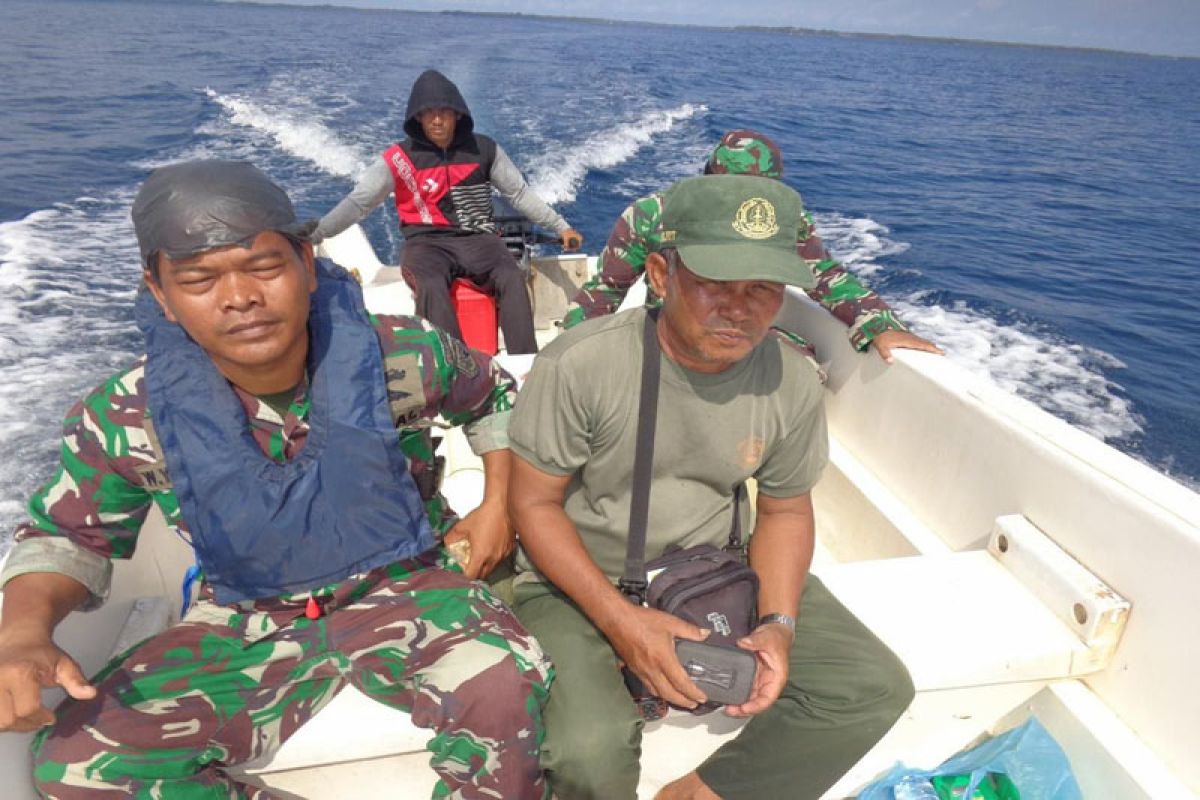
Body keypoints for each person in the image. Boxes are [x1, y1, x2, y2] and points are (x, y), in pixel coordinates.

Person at [0, 160, 552, 799]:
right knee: (71, 764)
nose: (239, 298)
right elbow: (70, 538)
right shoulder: (127, 414)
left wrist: (498, 504)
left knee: (505, 690)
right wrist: (22, 632)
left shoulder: (401, 353)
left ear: (306, 266)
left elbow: (496, 399)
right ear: (160, 294)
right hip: (245, 613)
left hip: (411, 581)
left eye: (263, 266)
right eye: (199, 278)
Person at [507, 175, 914, 799]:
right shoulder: (580, 363)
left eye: (763, 289)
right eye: (715, 284)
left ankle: (703, 792)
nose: (739, 308)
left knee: (870, 685)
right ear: (661, 276)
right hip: (577, 576)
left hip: (709, 566)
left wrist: (777, 623)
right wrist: (623, 623)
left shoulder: (791, 380)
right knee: (590, 752)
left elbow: (783, 512)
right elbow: (532, 504)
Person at [562, 129, 941, 366]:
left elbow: (823, 275)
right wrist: (566, 356)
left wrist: (879, 323)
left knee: (803, 367)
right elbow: (605, 290)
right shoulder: (653, 214)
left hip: (740, 336)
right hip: (668, 332)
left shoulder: (781, 221)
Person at [316, 69, 583, 355]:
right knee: (429, 284)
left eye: (445, 112)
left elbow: (517, 193)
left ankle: (526, 364)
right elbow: (360, 203)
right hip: (425, 243)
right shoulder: (398, 159)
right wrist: (316, 233)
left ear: (458, 114)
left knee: (511, 276)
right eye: (428, 112)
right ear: (417, 117)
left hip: (478, 240)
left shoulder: (485, 149)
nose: (437, 119)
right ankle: (457, 368)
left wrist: (560, 226)